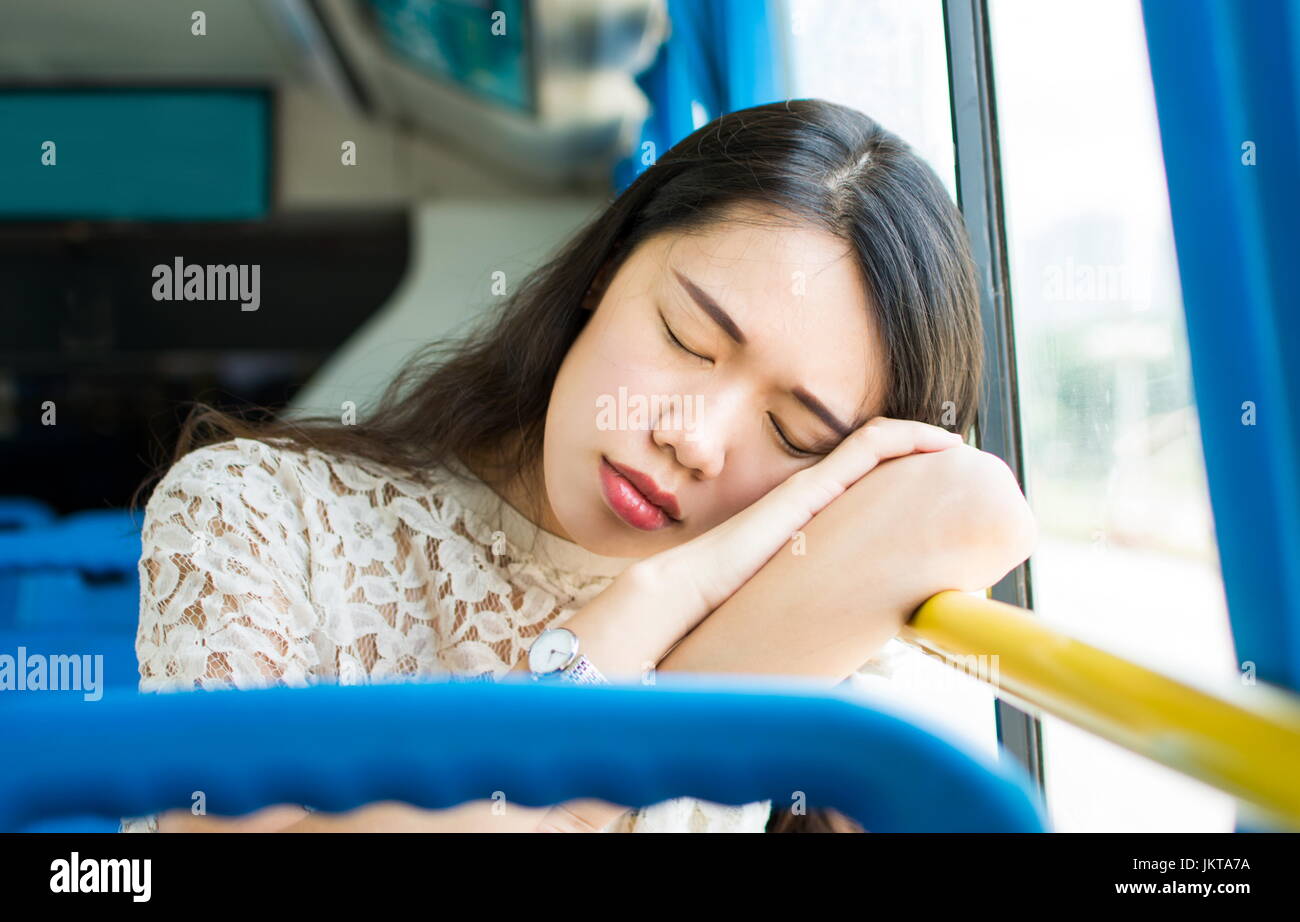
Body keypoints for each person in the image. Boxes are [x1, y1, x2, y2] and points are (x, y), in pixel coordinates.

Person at [119, 98, 1036, 834]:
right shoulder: (256, 510)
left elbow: (974, 507)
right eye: (687, 337)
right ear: (606, 271)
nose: (695, 438)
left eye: (795, 434)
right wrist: (653, 606)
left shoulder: (809, 609)